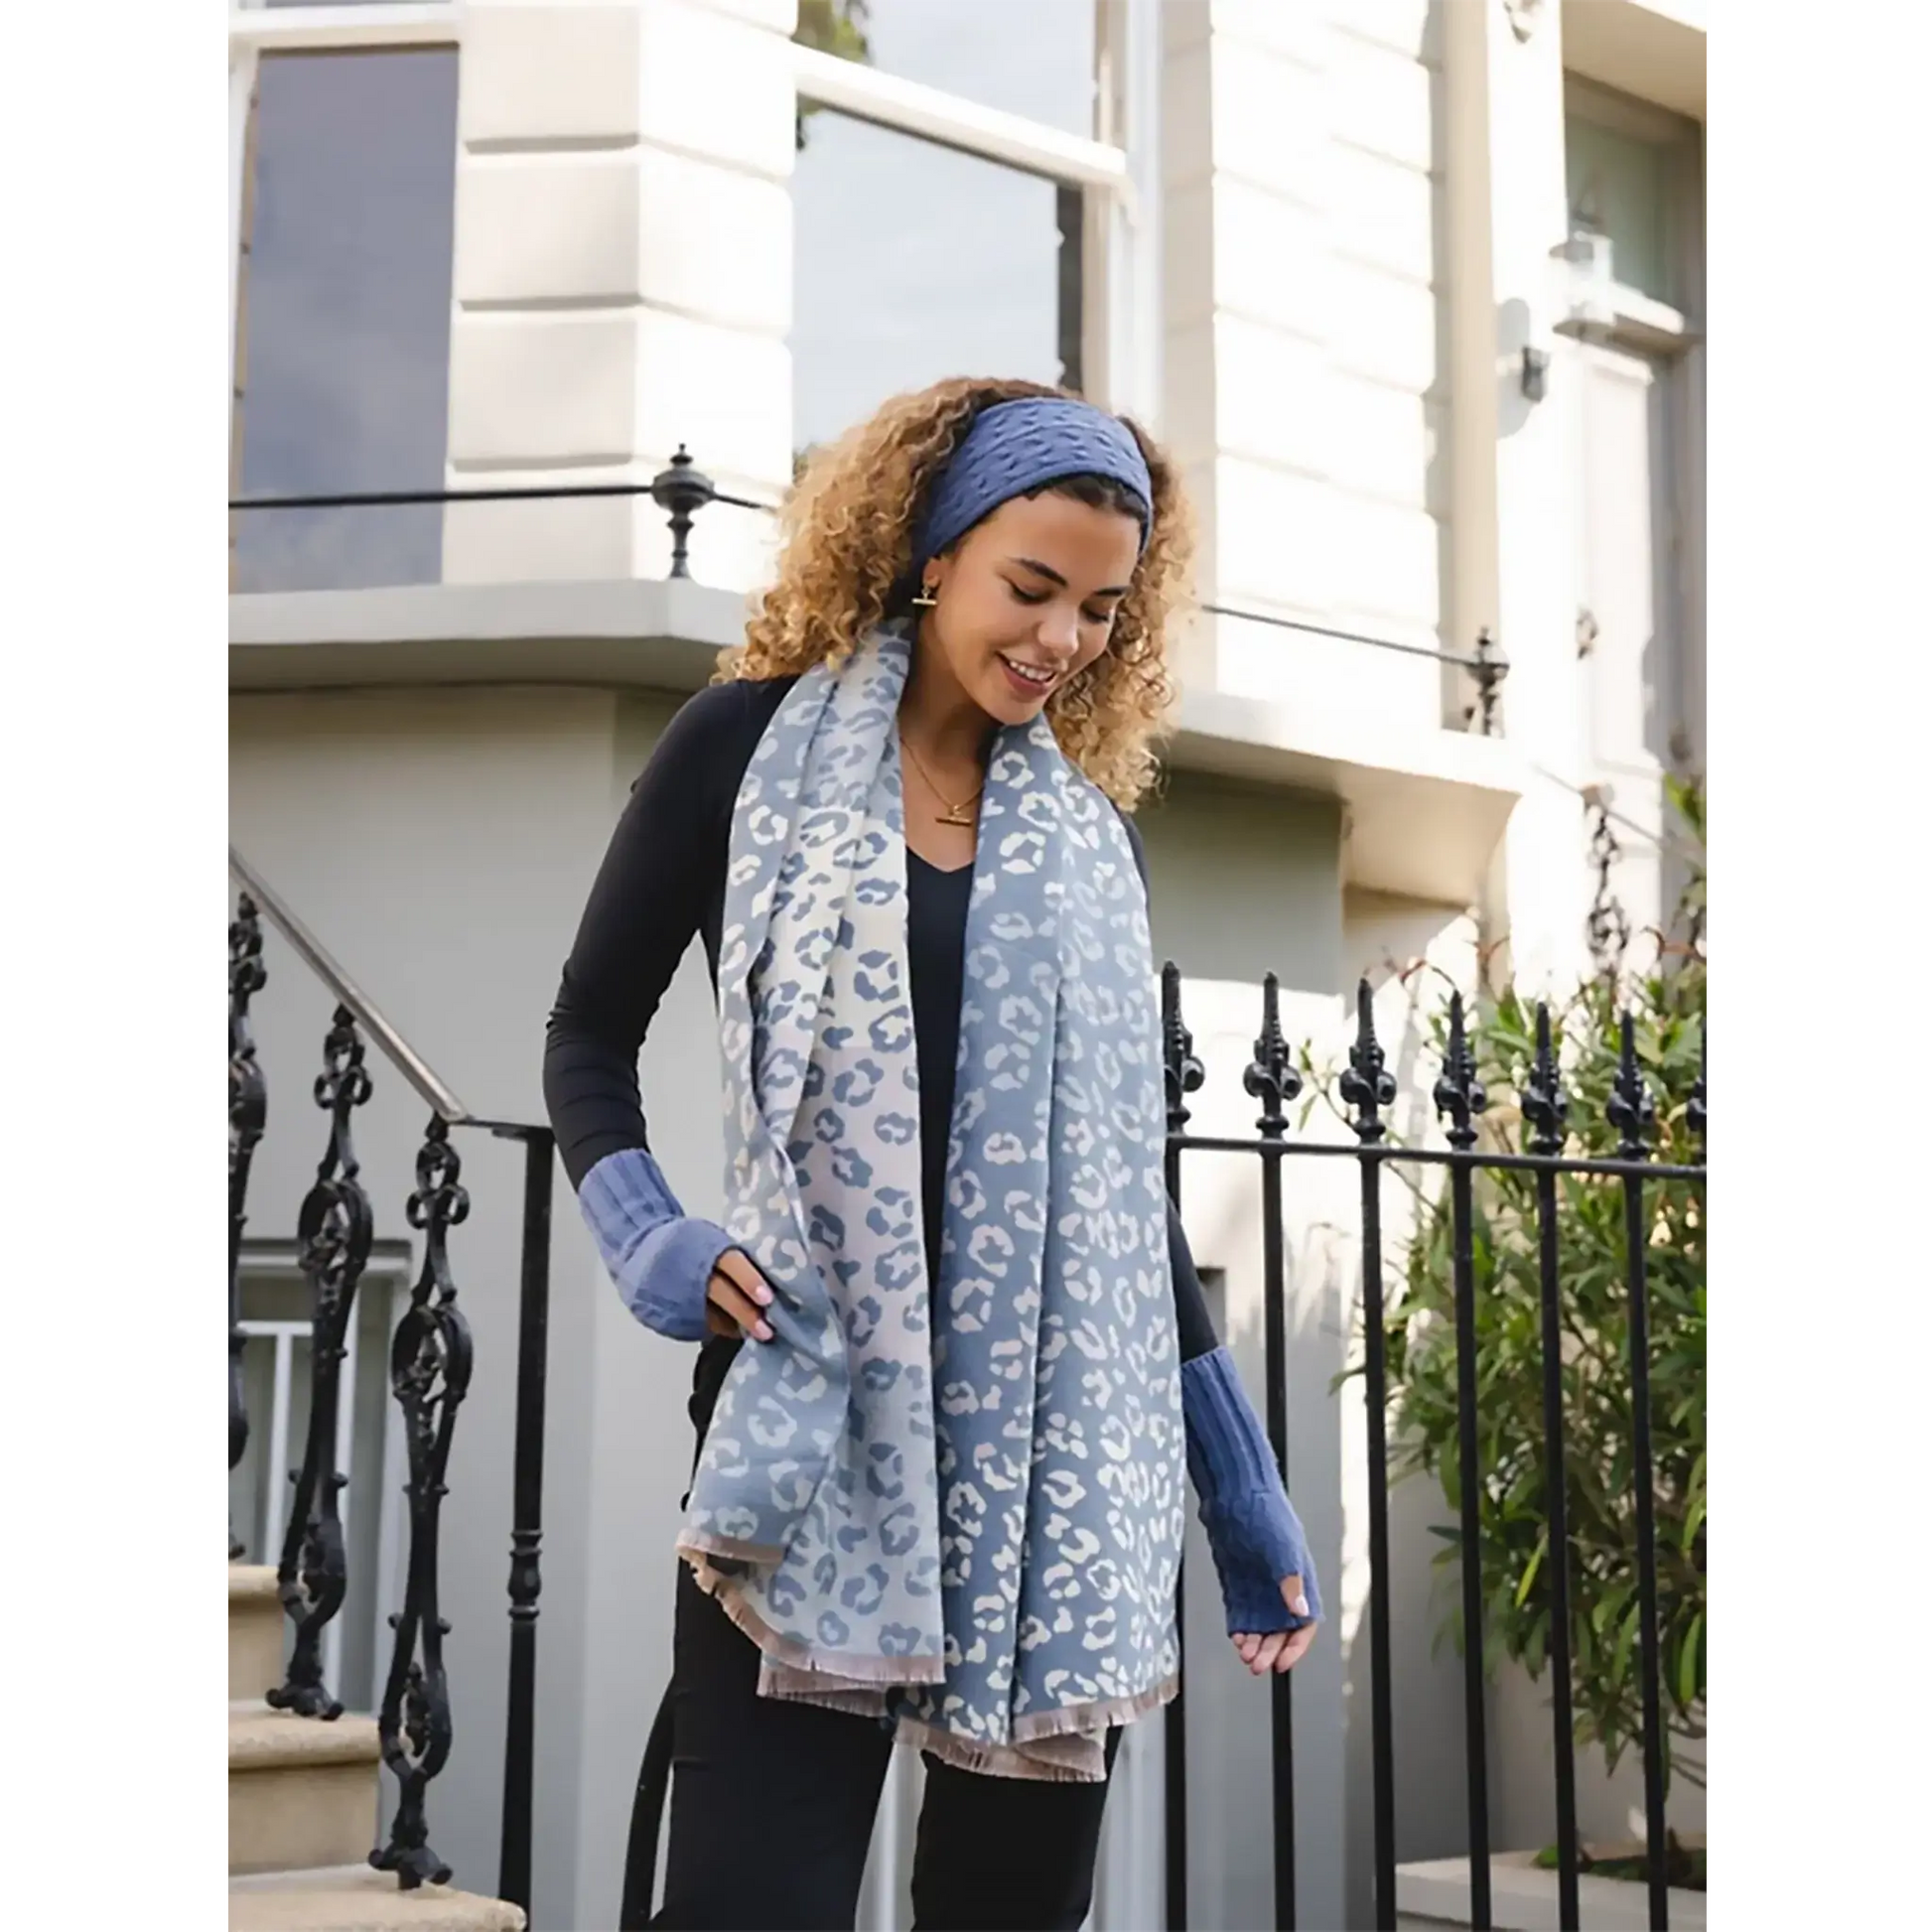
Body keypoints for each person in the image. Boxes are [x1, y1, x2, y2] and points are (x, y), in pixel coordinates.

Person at [543, 377, 1321, 1932]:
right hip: (807, 1428)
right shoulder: (742, 749)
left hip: (1056, 1470)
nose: (1059, 640)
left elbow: (1119, 1197)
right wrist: (650, 1236)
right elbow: (585, 1036)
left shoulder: (1088, 845)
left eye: (1101, 609)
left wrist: (1240, 1484)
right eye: (1029, 588)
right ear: (927, 552)